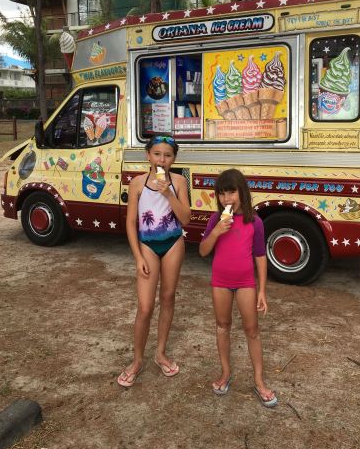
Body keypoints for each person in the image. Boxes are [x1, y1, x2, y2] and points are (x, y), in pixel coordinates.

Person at [199, 168, 278, 408]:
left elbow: (260, 256)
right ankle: (225, 373)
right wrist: (216, 232)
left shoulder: (255, 222)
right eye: (222, 194)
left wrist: (262, 290)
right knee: (222, 326)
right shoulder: (216, 220)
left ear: (242, 192)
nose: (227, 199)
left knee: (252, 329)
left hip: (246, 283)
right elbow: (203, 251)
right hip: (220, 282)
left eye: (231, 192)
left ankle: (259, 381)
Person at [117, 135, 191, 387]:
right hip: (147, 246)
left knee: (168, 297)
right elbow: (131, 223)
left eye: (168, 155)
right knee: (146, 307)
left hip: (173, 244)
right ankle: (137, 360)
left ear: (174, 159)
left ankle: (160, 353)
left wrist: (169, 194)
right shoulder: (137, 183)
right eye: (157, 154)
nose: (162, 159)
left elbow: (186, 218)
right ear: (148, 155)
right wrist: (138, 256)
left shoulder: (179, 181)